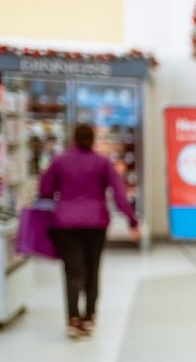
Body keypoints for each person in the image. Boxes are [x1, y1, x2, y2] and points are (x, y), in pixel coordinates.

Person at [39, 124, 140, 338]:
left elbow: (45, 190)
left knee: (72, 271)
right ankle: (90, 316)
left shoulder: (60, 161)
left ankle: (73, 319)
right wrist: (132, 222)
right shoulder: (102, 162)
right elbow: (119, 194)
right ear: (93, 139)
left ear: (73, 138)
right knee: (93, 269)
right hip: (96, 222)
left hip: (66, 223)